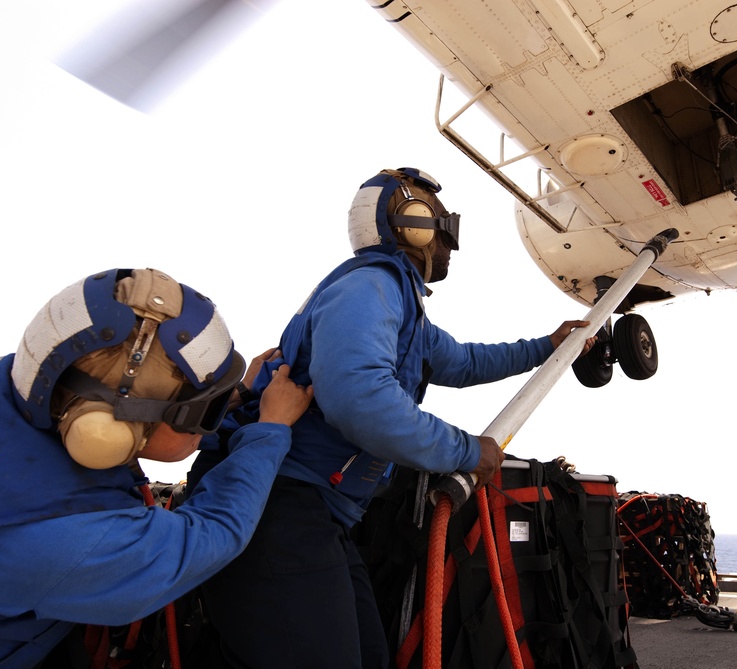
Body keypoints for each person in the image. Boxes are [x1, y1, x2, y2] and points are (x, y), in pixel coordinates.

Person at [188, 167, 595, 668]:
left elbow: (465, 361)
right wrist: (469, 450)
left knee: (370, 656)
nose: (449, 242)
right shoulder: (370, 288)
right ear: (413, 225)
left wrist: (548, 346)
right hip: (281, 508)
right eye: (444, 226)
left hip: (319, 514)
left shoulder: (400, 304)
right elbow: (361, 399)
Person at [0, 268, 313, 669]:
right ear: (111, 431)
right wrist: (270, 430)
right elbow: (215, 535)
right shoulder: (68, 541)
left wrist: (236, 397)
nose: (208, 423)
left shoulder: (5, 382)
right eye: (203, 411)